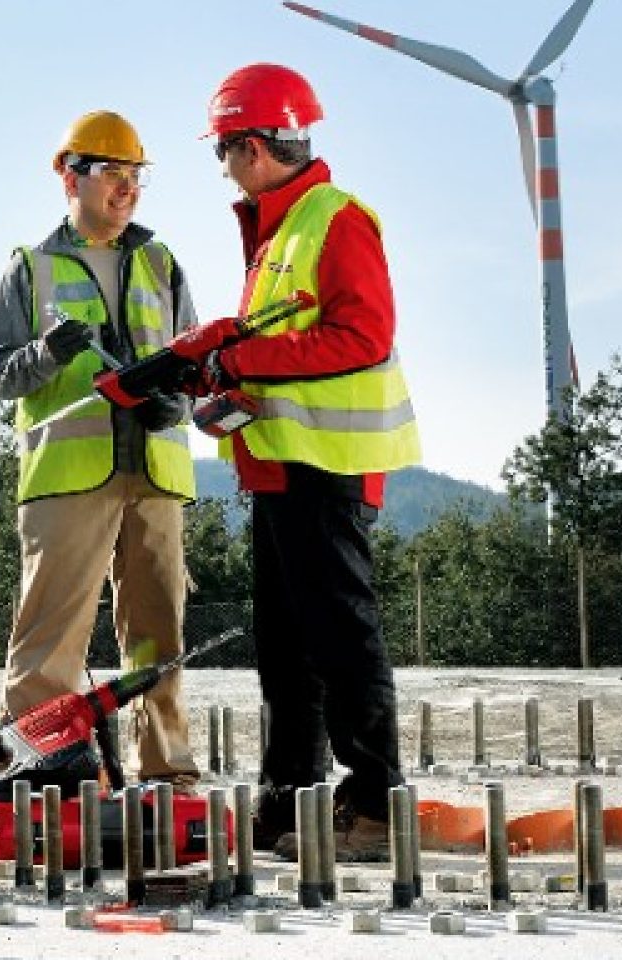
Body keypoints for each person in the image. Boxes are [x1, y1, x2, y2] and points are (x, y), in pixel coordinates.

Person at [157, 64, 422, 859]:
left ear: (252, 143)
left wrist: (242, 357)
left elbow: (361, 336)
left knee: (341, 640)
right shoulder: (277, 232)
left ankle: (374, 806)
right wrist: (218, 372)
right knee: (284, 648)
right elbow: (279, 348)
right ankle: (291, 802)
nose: (223, 166)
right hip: (276, 468)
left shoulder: (333, 219)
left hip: (326, 466)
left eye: (223, 150)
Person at [0, 110, 202, 784]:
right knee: (50, 641)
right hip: (68, 478)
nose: (127, 187)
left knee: (157, 639)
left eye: (135, 176)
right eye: (112, 172)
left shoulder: (163, 263)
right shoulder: (32, 267)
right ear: (69, 175)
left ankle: (166, 773)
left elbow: (197, 362)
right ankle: (39, 772)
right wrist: (47, 353)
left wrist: (179, 397)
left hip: (155, 472)